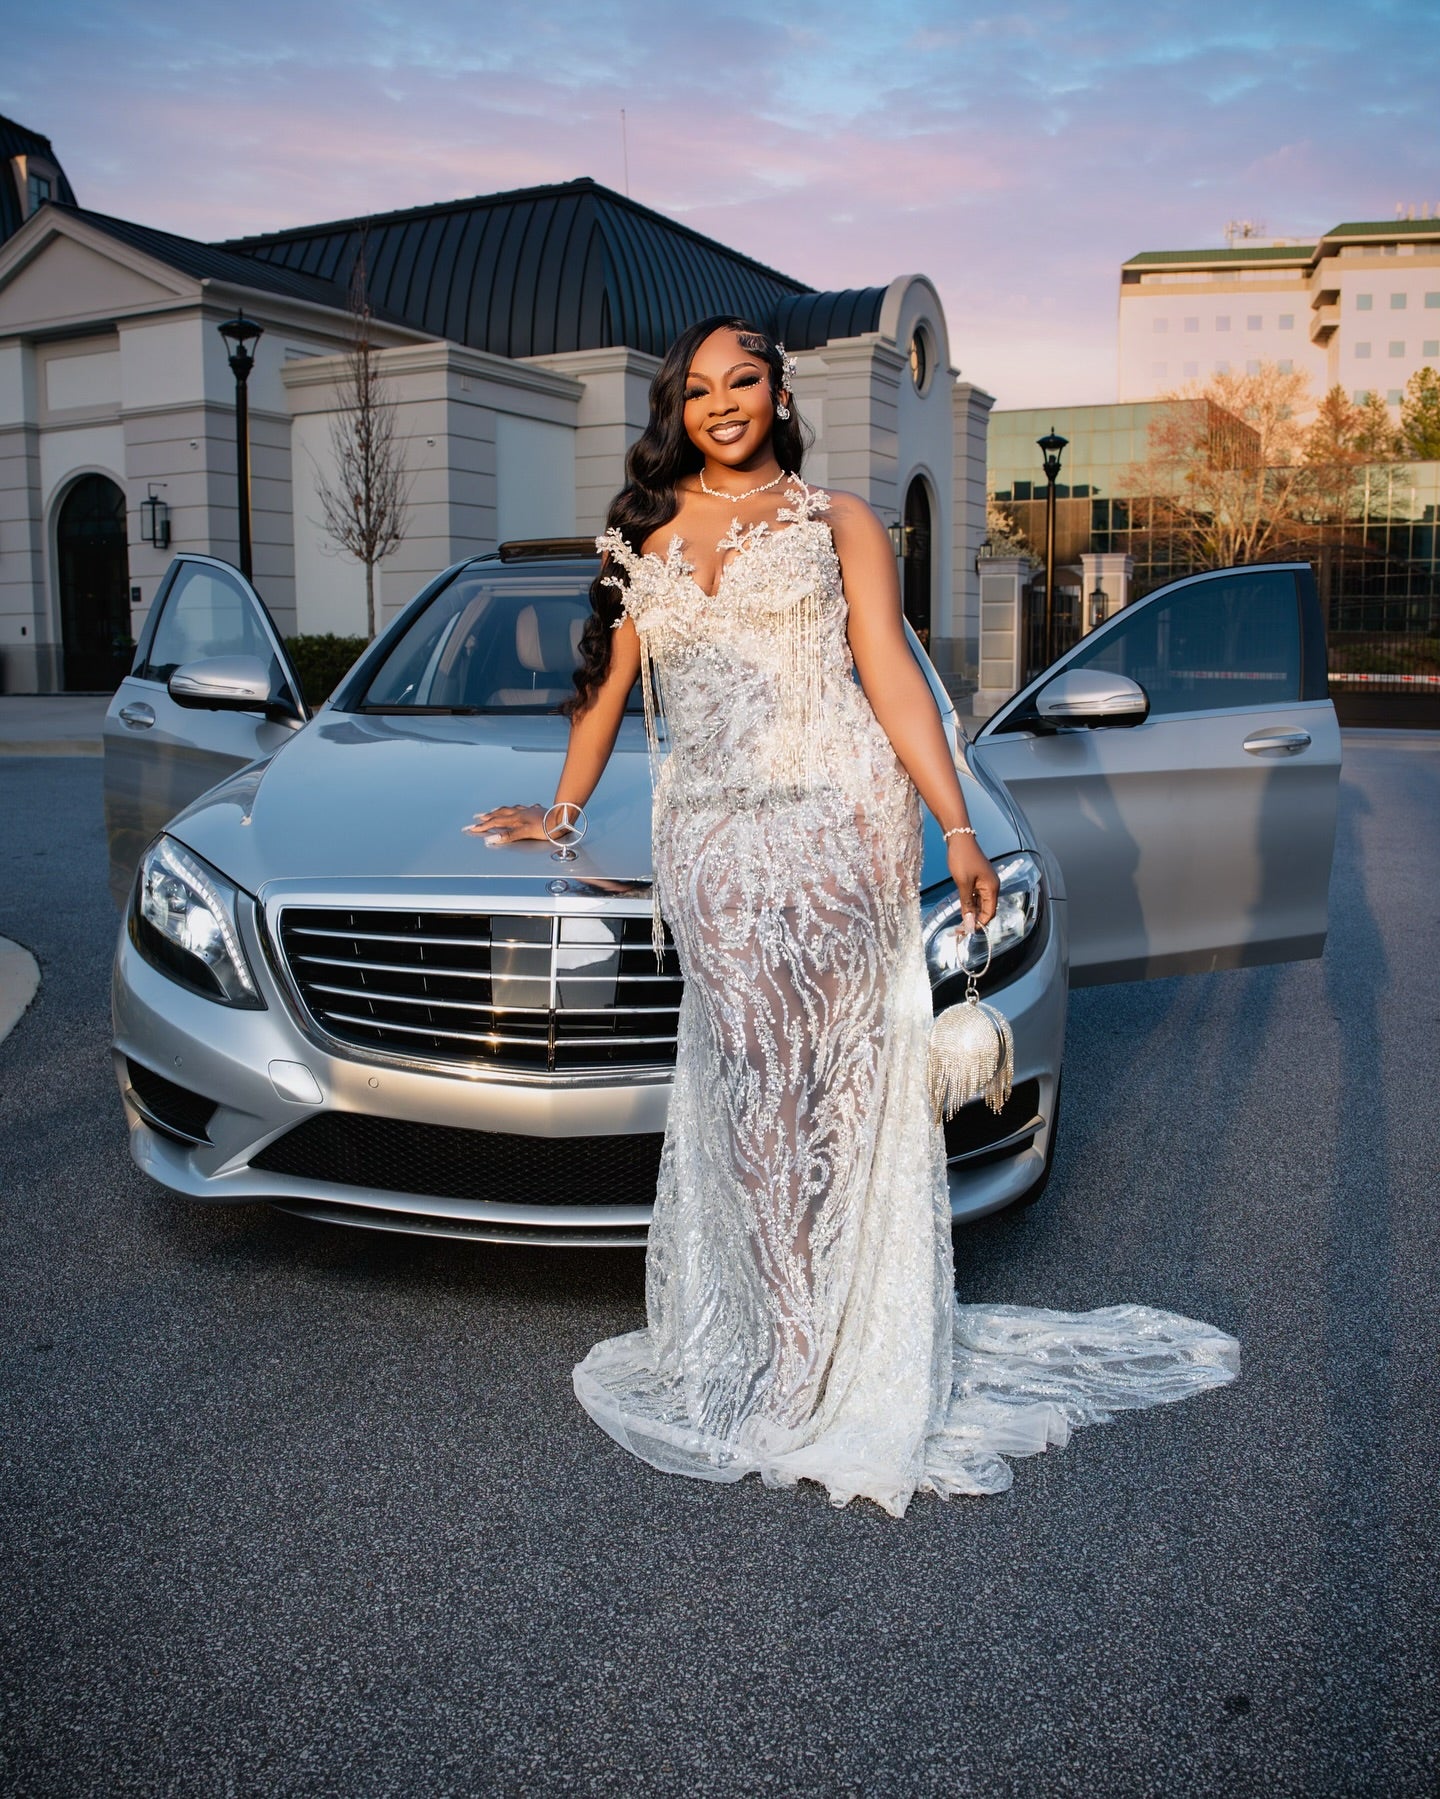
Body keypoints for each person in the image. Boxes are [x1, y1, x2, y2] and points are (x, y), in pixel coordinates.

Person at [471, 317, 1238, 1516]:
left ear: (780, 395)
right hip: (713, 835)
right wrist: (560, 813)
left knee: (836, 1078)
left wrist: (958, 826)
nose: (723, 402)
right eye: (700, 388)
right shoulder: (643, 530)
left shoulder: (840, 522)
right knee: (753, 1078)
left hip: (841, 818)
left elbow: (885, 664)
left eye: (747, 380)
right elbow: (609, 685)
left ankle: (836, 1335)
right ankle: (791, 1335)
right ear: (677, 408)